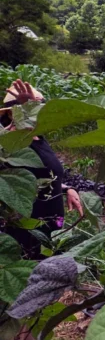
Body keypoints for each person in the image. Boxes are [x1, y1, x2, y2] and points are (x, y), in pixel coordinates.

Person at [1, 79, 84, 258]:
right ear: (12, 113)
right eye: (34, 108)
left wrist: (66, 189)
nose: (40, 113)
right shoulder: (9, 143)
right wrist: (26, 107)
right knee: (31, 275)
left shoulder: (38, 138)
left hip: (49, 227)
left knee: (47, 274)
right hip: (25, 227)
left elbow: (41, 175)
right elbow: (11, 182)